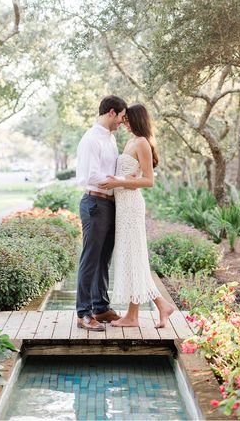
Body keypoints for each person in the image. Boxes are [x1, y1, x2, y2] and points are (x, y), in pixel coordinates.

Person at [99, 103, 174, 329]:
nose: (124, 122)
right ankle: (159, 306)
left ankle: (135, 315)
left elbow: (148, 180)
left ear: (138, 119)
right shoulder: (130, 141)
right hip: (122, 206)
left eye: (128, 119)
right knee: (133, 258)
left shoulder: (142, 142)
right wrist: (119, 180)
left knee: (134, 258)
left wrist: (119, 182)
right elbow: (127, 175)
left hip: (131, 206)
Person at [75, 95, 127, 331]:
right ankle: (83, 313)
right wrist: (124, 181)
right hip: (94, 203)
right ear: (112, 112)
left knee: (103, 259)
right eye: (122, 117)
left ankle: (101, 307)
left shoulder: (111, 139)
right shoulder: (91, 139)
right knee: (90, 259)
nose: (123, 123)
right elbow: (91, 176)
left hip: (109, 203)